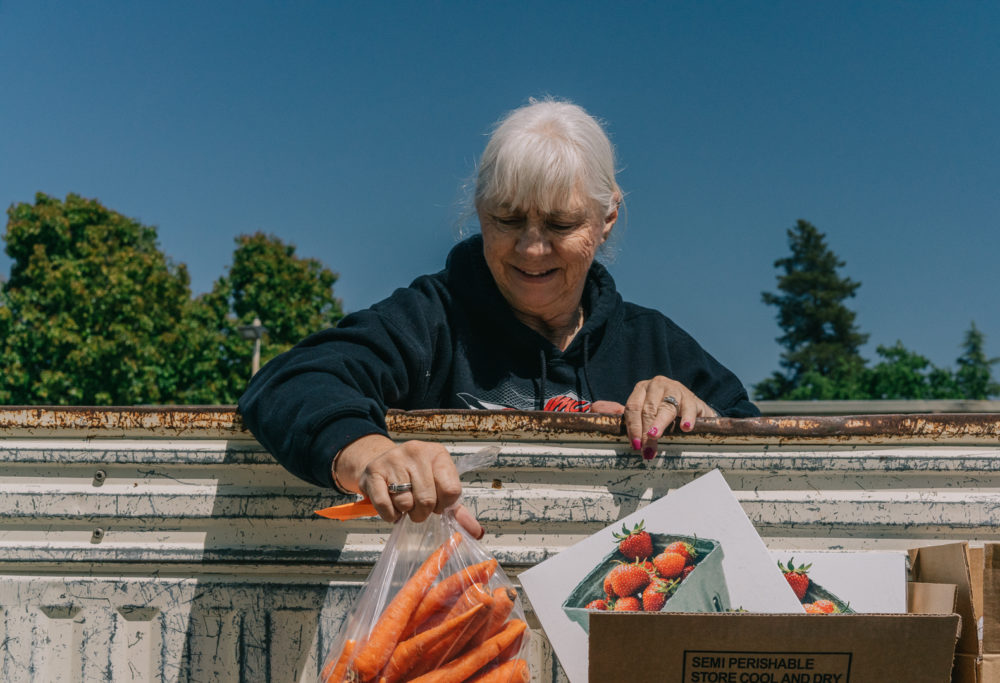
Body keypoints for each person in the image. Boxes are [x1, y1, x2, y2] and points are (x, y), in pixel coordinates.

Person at [239, 98, 759, 538]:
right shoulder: (432, 318)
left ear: (607, 218)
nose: (533, 250)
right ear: (478, 212)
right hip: (455, 628)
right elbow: (288, 382)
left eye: (561, 223)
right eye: (507, 220)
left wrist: (701, 424)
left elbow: (773, 467)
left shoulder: (654, 344)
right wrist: (372, 454)